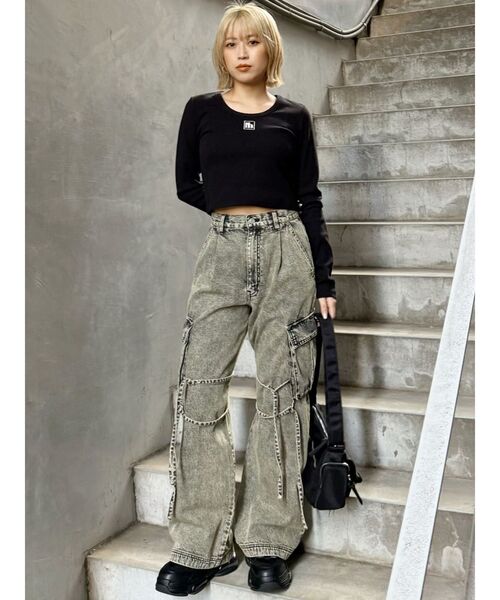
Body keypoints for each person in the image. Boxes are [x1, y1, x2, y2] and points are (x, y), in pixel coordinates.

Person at [156, 1, 336, 595]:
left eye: (253, 42)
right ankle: (201, 546)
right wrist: (230, 211)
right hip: (223, 251)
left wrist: (324, 280)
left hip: (288, 251)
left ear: (269, 50)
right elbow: (187, 183)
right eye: (232, 43)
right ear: (222, 52)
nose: (241, 52)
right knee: (198, 388)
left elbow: (309, 197)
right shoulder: (201, 111)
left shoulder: (295, 117)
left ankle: (268, 543)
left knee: (281, 393)